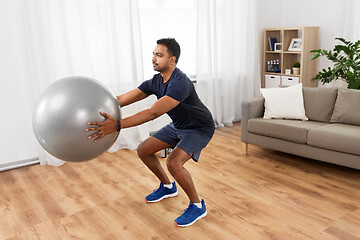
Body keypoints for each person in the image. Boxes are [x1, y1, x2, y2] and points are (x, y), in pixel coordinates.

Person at [85, 38, 215, 227]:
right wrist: (95, 105)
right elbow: (122, 99)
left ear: (172, 60)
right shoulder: (155, 81)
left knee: (174, 162)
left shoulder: (180, 83)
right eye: (153, 54)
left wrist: (117, 125)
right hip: (179, 125)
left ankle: (197, 206)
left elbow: (152, 113)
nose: (153, 58)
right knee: (144, 149)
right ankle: (168, 187)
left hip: (199, 128)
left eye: (159, 55)